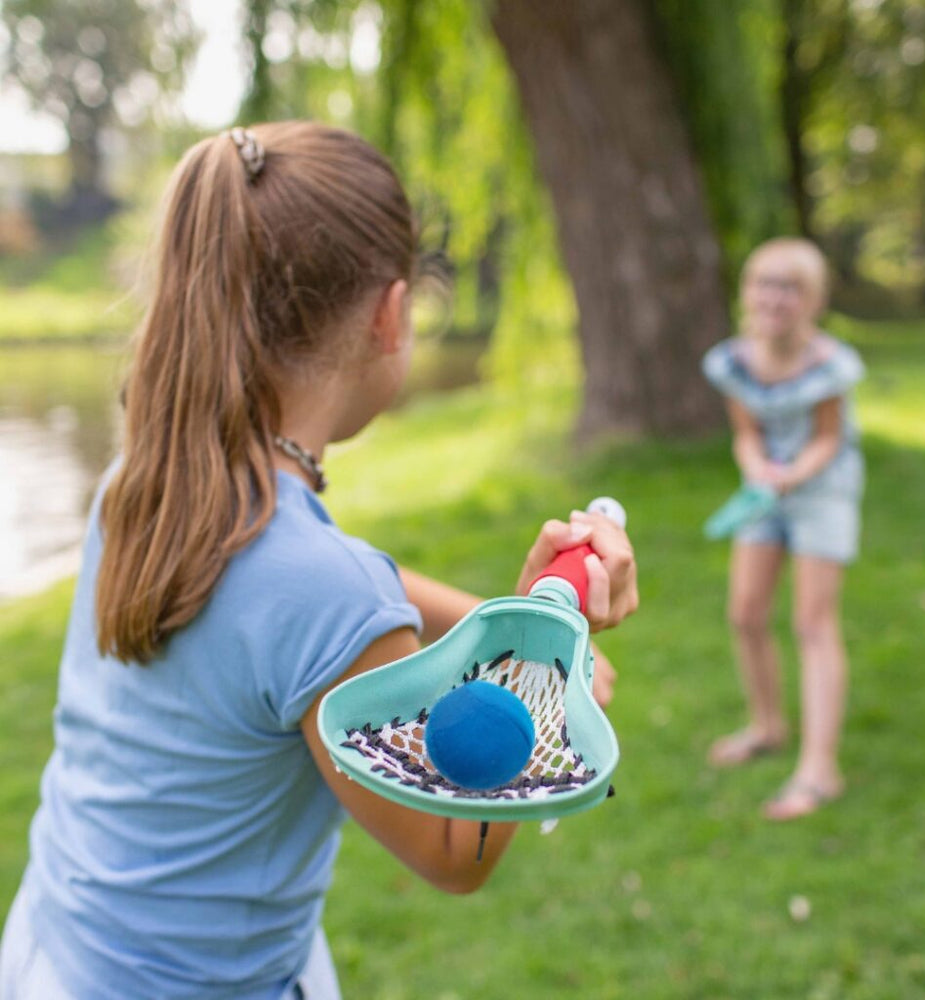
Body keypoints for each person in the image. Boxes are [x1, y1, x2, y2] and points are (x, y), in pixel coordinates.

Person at [0, 122, 638, 999]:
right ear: (391, 315)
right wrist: (541, 669)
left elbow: (313, 591)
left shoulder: (148, 480)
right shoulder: (321, 590)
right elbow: (455, 855)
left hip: (60, 944)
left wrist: (505, 618)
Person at [701, 236, 864, 821]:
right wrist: (756, 468)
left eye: (790, 286)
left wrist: (793, 475)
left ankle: (821, 769)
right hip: (766, 487)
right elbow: (745, 431)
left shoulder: (829, 366)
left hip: (822, 490)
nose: (775, 296)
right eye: (765, 282)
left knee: (813, 623)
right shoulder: (732, 362)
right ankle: (768, 726)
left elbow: (829, 436)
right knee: (745, 613)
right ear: (747, 292)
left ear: (813, 299)